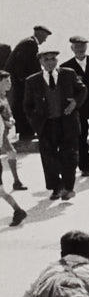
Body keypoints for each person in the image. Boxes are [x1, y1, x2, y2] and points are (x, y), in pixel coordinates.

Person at [23, 47, 87, 201]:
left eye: (53, 58)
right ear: (40, 62)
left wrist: (75, 103)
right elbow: (27, 105)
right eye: (46, 59)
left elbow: (82, 90)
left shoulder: (68, 74)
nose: (50, 62)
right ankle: (56, 187)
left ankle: (68, 188)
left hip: (67, 122)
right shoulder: (32, 81)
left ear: (57, 60)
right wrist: (36, 121)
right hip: (46, 125)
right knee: (49, 158)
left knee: (70, 156)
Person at [61, 36, 89, 175]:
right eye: (77, 46)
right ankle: (85, 166)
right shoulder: (66, 66)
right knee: (80, 136)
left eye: (82, 46)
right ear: (72, 48)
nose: (80, 49)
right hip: (79, 107)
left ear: (86, 47)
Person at [6, 24, 52, 139]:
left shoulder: (28, 42)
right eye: (45, 36)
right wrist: (27, 81)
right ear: (40, 34)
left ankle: (26, 132)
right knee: (24, 104)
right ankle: (26, 133)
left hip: (18, 81)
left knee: (23, 104)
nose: (45, 39)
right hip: (20, 82)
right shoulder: (30, 44)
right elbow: (22, 65)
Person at [0, 68, 28, 202]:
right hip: (1, 132)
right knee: (12, 153)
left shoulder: (3, 96)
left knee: (12, 153)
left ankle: (16, 181)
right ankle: (15, 182)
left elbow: (8, 113)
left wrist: (10, 119)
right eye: (6, 81)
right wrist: (6, 122)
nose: (10, 83)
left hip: (3, 133)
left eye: (10, 80)